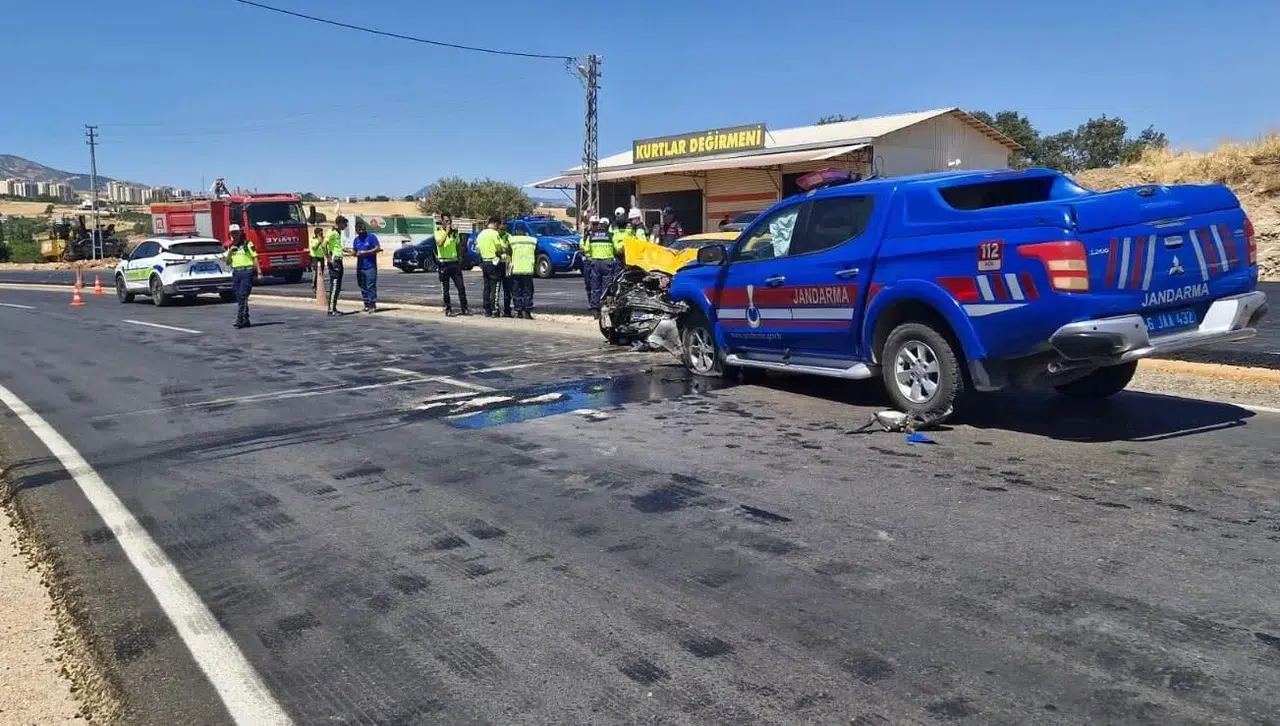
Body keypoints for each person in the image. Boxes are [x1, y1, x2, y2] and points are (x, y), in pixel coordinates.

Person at [224, 224, 261, 329]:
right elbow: (227, 262)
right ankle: (246, 319)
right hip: (236, 272)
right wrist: (230, 252)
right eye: (233, 233)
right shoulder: (230, 246)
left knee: (243, 295)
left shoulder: (247, 244)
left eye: (236, 233)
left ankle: (239, 319)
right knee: (239, 296)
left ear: (240, 233)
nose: (235, 235)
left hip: (246, 271)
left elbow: (255, 257)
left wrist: (259, 272)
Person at [434, 213, 470, 316]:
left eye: (450, 221)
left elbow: (458, 245)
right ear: (442, 222)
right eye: (446, 221)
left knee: (461, 287)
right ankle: (448, 309)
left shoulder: (454, 233)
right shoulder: (438, 232)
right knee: (445, 288)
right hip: (444, 263)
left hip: (454, 263)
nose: (449, 223)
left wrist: (460, 256)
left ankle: (464, 308)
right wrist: (446, 232)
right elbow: (440, 244)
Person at [584, 215, 619, 318]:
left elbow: (586, 249)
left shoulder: (592, 236)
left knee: (595, 286)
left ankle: (595, 310)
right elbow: (617, 249)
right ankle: (605, 308)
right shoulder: (611, 236)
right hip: (607, 263)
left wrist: (593, 256)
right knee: (606, 287)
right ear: (607, 226)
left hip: (595, 263)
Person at [474, 215, 507, 317]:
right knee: (495, 287)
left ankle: (486, 309)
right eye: (499, 224)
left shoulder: (481, 234)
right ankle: (494, 310)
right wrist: (503, 250)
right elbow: (500, 247)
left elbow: (477, 249)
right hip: (494, 262)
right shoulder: (494, 234)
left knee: (486, 287)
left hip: (484, 262)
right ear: (496, 224)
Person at [351, 219, 381, 312]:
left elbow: (377, 248)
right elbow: (355, 251)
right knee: (362, 285)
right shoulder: (356, 240)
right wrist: (352, 253)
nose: (361, 232)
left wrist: (366, 252)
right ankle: (366, 304)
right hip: (360, 266)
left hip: (370, 266)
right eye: (359, 230)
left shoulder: (371, 237)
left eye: (362, 230)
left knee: (370, 285)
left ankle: (372, 304)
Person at [507, 227, 537, 319]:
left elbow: (508, 254)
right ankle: (527, 311)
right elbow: (536, 252)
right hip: (528, 269)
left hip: (516, 269)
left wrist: (507, 270)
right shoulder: (532, 240)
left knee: (516, 291)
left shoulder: (511, 240)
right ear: (525, 233)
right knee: (528, 291)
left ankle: (519, 311)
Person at [325, 216, 348, 316]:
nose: (345, 226)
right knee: (334, 285)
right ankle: (331, 309)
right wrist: (328, 257)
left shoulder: (338, 233)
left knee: (337, 286)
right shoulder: (331, 232)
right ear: (340, 223)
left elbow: (338, 247)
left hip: (339, 260)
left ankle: (334, 307)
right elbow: (323, 244)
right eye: (344, 224)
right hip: (334, 262)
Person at [497, 220, 514, 317]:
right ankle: (495, 309)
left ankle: (507, 310)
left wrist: (505, 250)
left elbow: (510, 250)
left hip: (507, 264)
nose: (503, 230)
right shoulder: (495, 236)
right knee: (496, 288)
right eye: (501, 229)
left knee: (507, 289)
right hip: (498, 264)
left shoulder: (509, 236)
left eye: (505, 229)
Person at [308, 226, 327, 293]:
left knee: (321, 272)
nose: (321, 235)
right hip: (315, 257)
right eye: (320, 233)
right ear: (316, 234)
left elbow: (325, 248)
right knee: (316, 272)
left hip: (321, 257)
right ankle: (314, 286)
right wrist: (319, 241)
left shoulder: (323, 240)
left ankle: (320, 286)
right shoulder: (312, 240)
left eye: (322, 233)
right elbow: (314, 248)